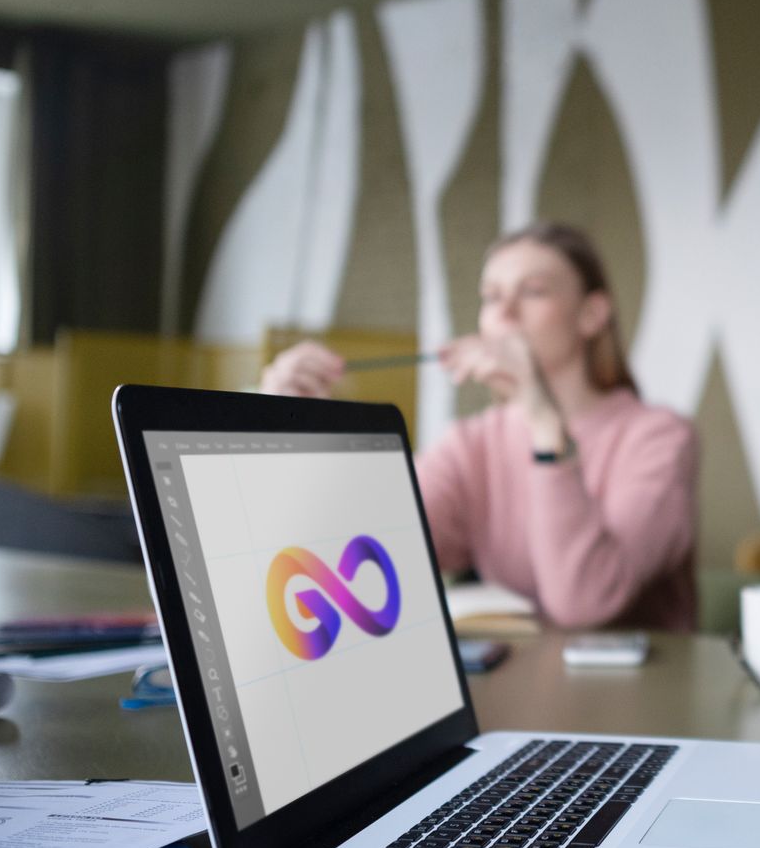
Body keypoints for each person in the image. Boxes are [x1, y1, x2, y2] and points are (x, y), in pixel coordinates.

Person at [262, 222, 698, 630]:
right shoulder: (471, 443)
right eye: (491, 296)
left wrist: (546, 426)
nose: (504, 313)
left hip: (642, 704)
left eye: (532, 292)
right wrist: (308, 434)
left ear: (591, 314)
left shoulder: (660, 437)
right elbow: (369, 553)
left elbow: (584, 602)